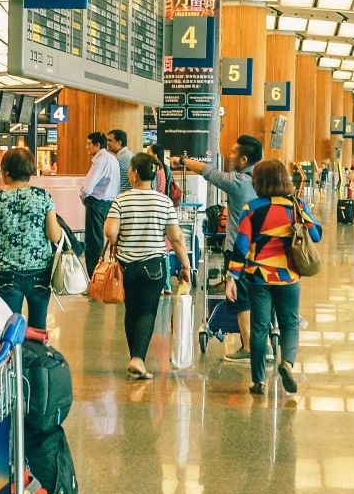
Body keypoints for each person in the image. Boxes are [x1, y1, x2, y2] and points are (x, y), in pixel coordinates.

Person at [230, 160, 321, 395]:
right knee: (289, 323)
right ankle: (287, 363)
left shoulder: (251, 208)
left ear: (259, 182)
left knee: (259, 328)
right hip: (288, 277)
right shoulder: (296, 205)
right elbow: (316, 235)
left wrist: (232, 277)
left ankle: (258, 381)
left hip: (258, 277)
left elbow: (241, 246)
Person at [105, 152, 191, 379]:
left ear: (134, 173)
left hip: (127, 265)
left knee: (132, 310)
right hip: (154, 266)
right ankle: (137, 359)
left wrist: (117, 241)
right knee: (147, 312)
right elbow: (176, 238)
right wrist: (185, 266)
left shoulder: (121, 200)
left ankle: (135, 357)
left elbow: (110, 232)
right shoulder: (164, 201)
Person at [180, 136, 264, 362]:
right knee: (260, 297)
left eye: (234, 152)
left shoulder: (238, 181)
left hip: (239, 250)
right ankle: (262, 344)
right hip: (265, 250)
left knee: (241, 298)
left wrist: (182, 160)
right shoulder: (266, 179)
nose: (231, 155)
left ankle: (248, 348)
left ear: (244, 159)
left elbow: (207, 171)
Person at [0, 145, 63, 328]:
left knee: (10, 328)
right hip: (40, 271)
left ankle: (15, 348)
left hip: (8, 272)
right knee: (38, 326)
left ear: (6, 173)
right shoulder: (43, 196)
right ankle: (38, 347)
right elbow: (54, 236)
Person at [80, 131, 119, 274]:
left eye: (89, 144)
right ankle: (103, 274)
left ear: (97, 145)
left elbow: (88, 186)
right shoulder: (112, 158)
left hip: (96, 203)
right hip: (110, 203)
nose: (86, 147)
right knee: (105, 241)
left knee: (93, 242)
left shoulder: (100, 160)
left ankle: (94, 276)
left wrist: (83, 196)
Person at [109, 129, 134, 193]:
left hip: (122, 196)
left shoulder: (118, 160)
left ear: (119, 143)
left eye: (110, 140)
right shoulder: (131, 155)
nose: (107, 143)